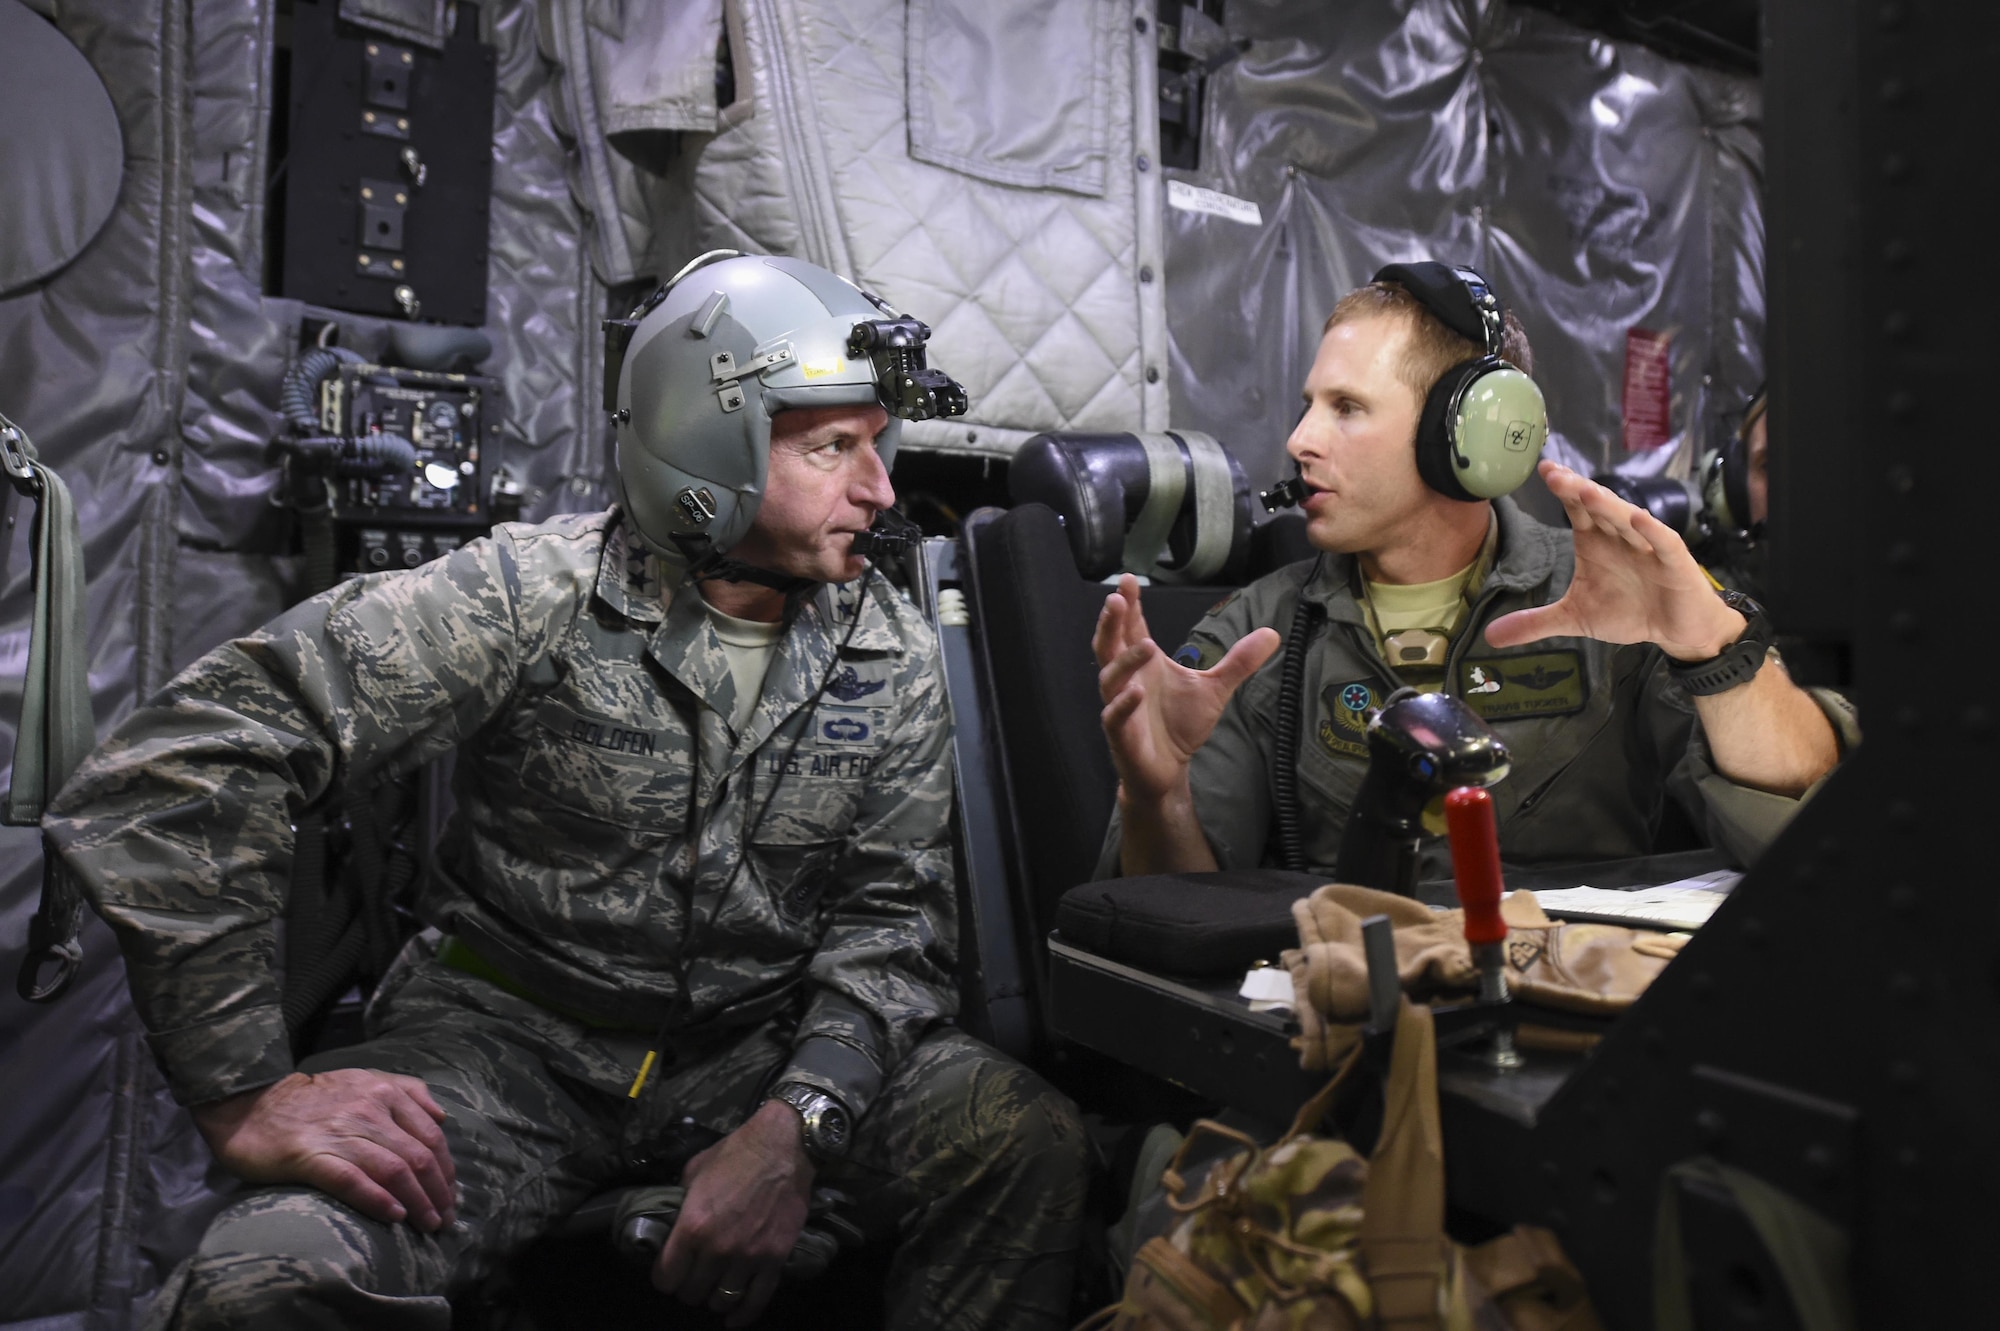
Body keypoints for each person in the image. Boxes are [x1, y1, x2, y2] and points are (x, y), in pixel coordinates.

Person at [46, 253, 1086, 1330]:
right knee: (267, 1279)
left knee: (1024, 1139)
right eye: (832, 449)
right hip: (507, 1047)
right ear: (704, 442)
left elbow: (891, 925)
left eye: (878, 443)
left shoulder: (890, 649)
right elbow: (186, 763)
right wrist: (242, 1091)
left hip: (753, 1050)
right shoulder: (528, 593)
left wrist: (794, 1122)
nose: (879, 490)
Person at [1092, 263, 1857, 883]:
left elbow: (1816, 831)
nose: (1300, 439)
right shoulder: (1253, 636)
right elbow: (1171, 913)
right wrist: (1156, 796)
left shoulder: (1618, 602)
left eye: (1347, 407)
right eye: (1309, 404)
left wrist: (1717, 653)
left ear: (1467, 435)